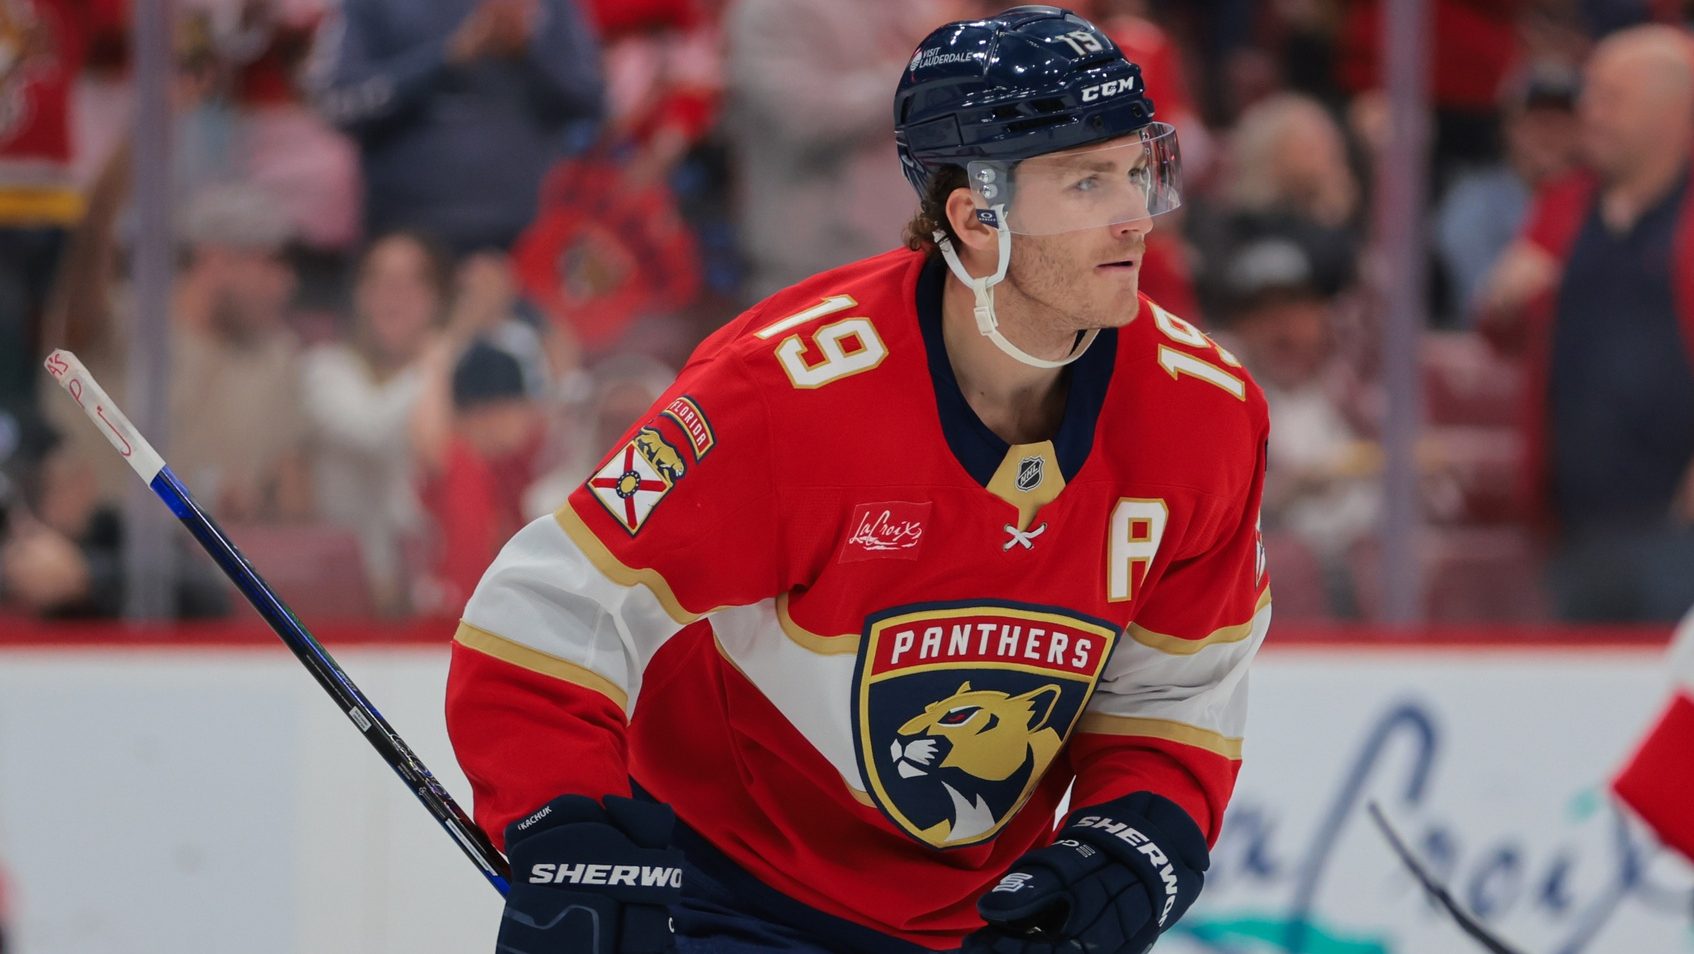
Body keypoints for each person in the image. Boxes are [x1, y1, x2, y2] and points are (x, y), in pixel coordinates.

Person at [446, 7, 1269, 953]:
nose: (1135, 214)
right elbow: (546, 618)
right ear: (975, 216)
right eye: (1087, 183)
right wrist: (569, 831)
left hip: (987, 924)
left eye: (1137, 171)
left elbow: (1174, 698)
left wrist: (1133, 844)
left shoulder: (1206, 416)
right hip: (727, 893)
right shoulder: (780, 394)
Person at [1477, 25, 1694, 621]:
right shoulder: (1565, 205)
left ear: (1670, 110)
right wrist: (1502, 299)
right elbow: (1497, 331)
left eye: (1610, 97)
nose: (1589, 114)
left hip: (1678, 531)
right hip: (1571, 525)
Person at [307, 0, 605, 255]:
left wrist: (528, 51)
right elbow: (338, 104)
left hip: (526, 237)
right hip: (406, 240)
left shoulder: (550, 5)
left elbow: (592, 106)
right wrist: (445, 59)